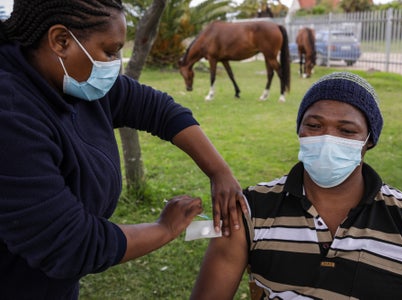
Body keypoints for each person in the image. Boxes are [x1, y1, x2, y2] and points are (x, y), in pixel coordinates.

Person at [0, 1, 246, 299]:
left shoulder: (71, 78)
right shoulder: (11, 116)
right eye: (110, 51)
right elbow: (71, 244)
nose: (116, 64)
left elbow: (158, 109)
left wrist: (218, 171)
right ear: (61, 41)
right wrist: (164, 228)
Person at [190, 72, 402, 299]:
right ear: (299, 130)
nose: (327, 139)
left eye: (347, 131)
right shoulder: (250, 209)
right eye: (314, 125)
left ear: (369, 140)